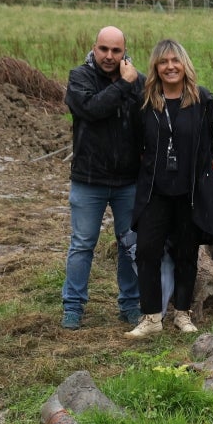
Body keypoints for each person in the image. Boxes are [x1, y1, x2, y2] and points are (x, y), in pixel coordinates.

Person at [126, 39, 213, 339]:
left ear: (184, 65)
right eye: (163, 62)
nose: (170, 67)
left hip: (189, 192)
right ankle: (151, 317)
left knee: (186, 253)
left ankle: (183, 313)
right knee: (147, 251)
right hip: (155, 191)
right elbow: (136, 142)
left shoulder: (202, 99)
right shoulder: (145, 102)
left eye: (175, 61)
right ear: (156, 67)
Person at [61, 26, 145, 330]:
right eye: (104, 49)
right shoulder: (80, 78)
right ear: (94, 48)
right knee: (83, 244)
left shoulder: (139, 82)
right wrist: (124, 84)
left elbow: (149, 122)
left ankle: (130, 305)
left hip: (128, 182)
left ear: (124, 52)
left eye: (116, 50)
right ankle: (73, 307)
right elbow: (92, 109)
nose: (109, 56)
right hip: (89, 179)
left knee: (129, 245)